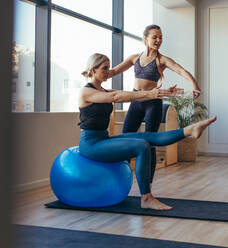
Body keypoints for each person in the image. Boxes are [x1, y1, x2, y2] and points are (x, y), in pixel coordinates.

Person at [79, 53, 216, 210]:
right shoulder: (86, 92)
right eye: (104, 68)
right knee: (141, 146)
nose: (108, 71)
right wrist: (151, 93)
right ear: (93, 69)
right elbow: (116, 96)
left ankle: (190, 130)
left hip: (104, 139)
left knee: (147, 137)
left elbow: (132, 96)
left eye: (109, 68)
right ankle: (146, 198)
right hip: (90, 145)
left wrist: (162, 93)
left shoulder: (103, 90)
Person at [107, 24, 202, 186]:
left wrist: (194, 85)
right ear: (145, 38)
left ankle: (147, 183)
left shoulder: (161, 60)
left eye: (160, 37)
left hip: (153, 104)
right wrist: (94, 73)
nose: (158, 40)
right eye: (155, 37)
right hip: (136, 101)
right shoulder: (134, 58)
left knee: (150, 142)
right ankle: (119, 178)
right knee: (125, 138)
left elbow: (180, 70)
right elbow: (113, 71)